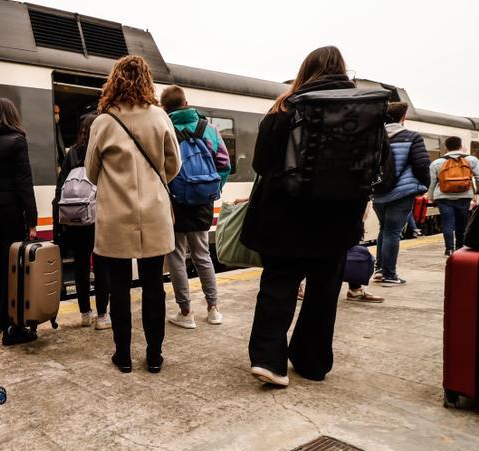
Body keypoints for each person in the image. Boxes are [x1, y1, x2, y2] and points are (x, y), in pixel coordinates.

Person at [241, 46, 388, 387]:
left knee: (278, 285)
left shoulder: (285, 107)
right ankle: (312, 361)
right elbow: (382, 169)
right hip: (339, 219)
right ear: (342, 70)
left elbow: (262, 163)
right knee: (324, 291)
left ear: (305, 70)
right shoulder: (367, 111)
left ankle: (268, 361)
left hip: (286, 217)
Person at [85, 55, 180, 374]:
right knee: (154, 285)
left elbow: (90, 172)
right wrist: (153, 183)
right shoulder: (159, 116)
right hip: (153, 214)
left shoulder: (103, 121)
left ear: (114, 81)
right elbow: (174, 165)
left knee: (119, 287)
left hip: (115, 217)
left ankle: (123, 355)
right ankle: (154, 356)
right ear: (147, 81)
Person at [159, 85, 230, 329]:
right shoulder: (209, 128)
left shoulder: (164, 129)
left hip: (174, 201)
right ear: (186, 102)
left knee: (177, 256)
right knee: (202, 254)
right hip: (203, 201)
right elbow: (224, 164)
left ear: (164, 107)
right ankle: (213, 309)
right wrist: (213, 190)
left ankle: (186, 312)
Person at [0, 97, 39, 345]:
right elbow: (24, 182)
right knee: (15, 266)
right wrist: (32, 221)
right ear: (12, 116)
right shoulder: (17, 141)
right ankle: (15, 326)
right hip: (13, 211)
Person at [54, 113, 111, 330]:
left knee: (80, 266)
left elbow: (60, 188)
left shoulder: (71, 153)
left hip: (76, 219)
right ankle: (103, 315)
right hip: (99, 216)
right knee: (101, 264)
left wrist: (58, 225)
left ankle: (85, 313)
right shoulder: (102, 151)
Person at [371, 102, 430, 286]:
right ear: (403, 117)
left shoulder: (374, 136)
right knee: (393, 232)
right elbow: (421, 164)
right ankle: (389, 275)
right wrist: (424, 184)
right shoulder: (412, 137)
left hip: (378, 191)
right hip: (402, 192)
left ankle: (380, 270)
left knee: (384, 228)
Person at [428, 136, 479, 256]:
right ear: (461, 146)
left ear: (445, 147)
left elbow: (432, 183)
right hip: (464, 196)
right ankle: (460, 248)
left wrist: (431, 197)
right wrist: (475, 191)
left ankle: (449, 249)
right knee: (462, 223)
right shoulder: (472, 160)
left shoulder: (437, 163)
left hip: (443, 197)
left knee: (447, 223)